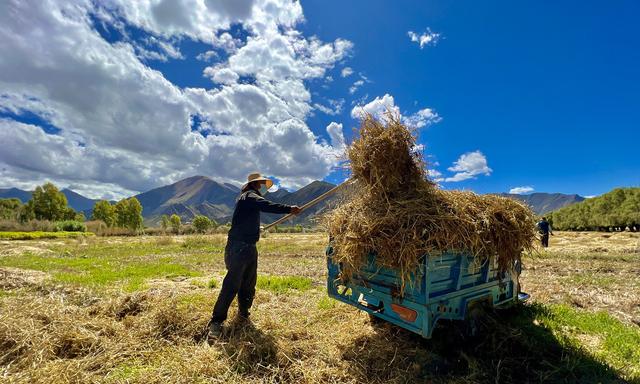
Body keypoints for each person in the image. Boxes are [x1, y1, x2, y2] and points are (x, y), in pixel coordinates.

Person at [207, 173, 301, 338]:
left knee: (249, 284)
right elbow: (267, 205)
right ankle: (216, 322)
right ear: (255, 185)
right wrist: (289, 209)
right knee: (232, 285)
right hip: (239, 248)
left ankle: (243, 314)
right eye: (261, 184)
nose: (263, 187)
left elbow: (247, 220)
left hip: (249, 247)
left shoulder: (247, 199)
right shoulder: (249, 196)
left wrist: (258, 229)